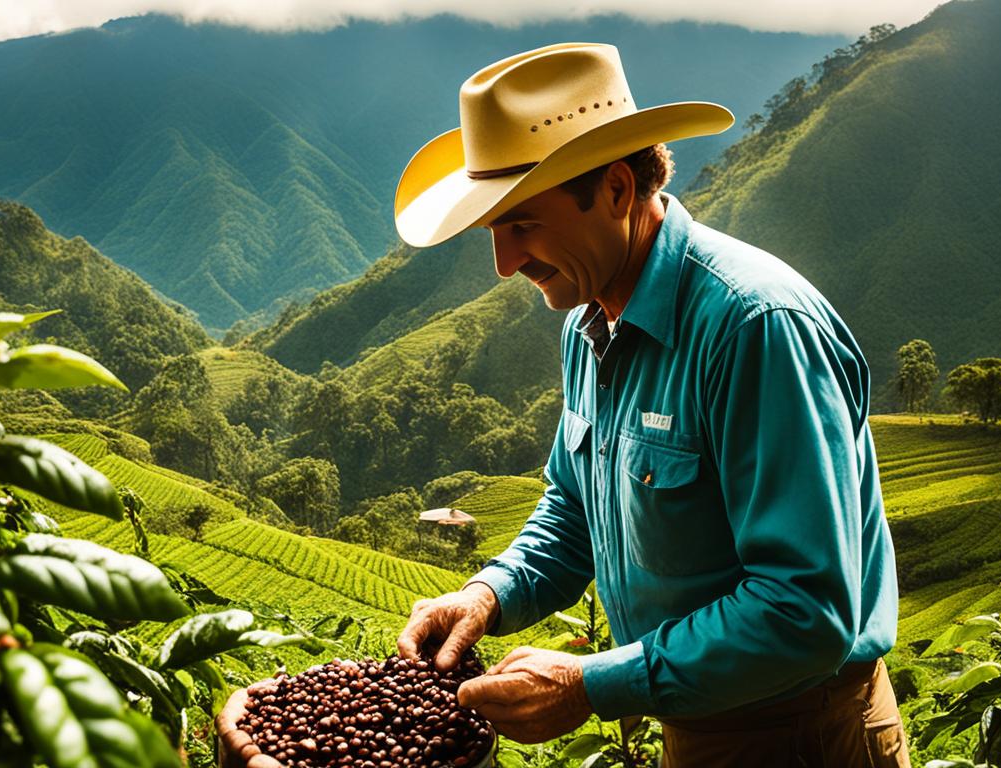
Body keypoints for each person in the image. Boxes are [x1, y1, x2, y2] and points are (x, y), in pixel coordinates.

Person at [218, 42, 908, 767]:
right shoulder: (590, 325)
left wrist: (589, 684)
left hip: (805, 733)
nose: (505, 263)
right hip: (697, 719)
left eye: (523, 225)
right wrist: (488, 594)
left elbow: (806, 612)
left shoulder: (754, 328)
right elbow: (575, 509)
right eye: (494, 231)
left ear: (615, 189)